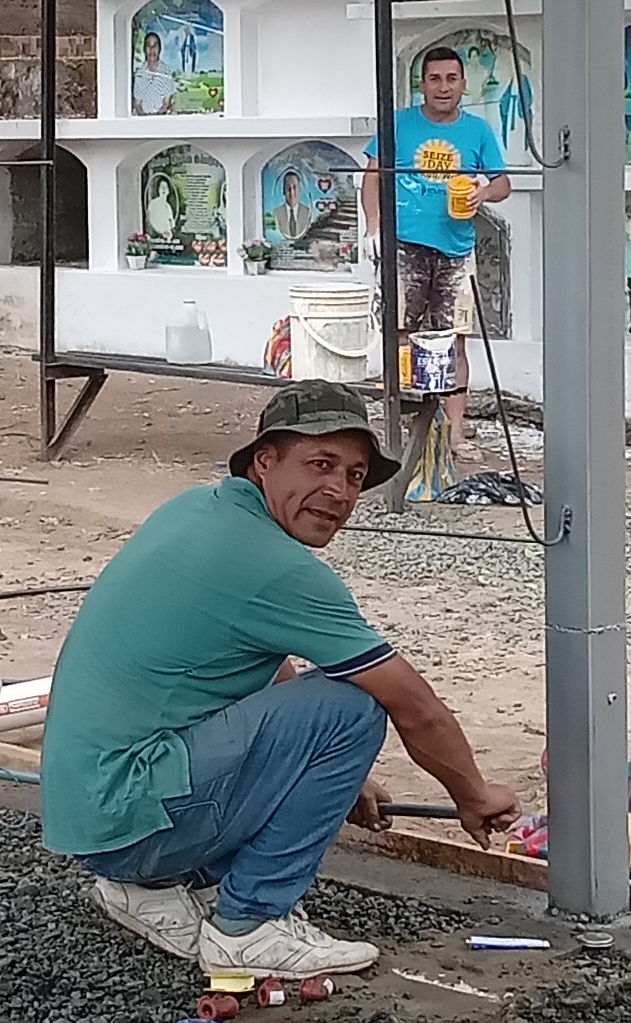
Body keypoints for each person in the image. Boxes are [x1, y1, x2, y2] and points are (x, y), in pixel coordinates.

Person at [39, 381, 522, 979]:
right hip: (130, 823)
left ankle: (149, 890)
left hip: (90, 814)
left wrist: (332, 773)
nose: (339, 491)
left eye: (354, 475)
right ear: (264, 460)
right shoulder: (278, 568)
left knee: (324, 713)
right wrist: (473, 796)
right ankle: (250, 925)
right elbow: (414, 706)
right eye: (320, 464)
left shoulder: (197, 509)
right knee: (352, 708)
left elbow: (262, 667)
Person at [368, 41, 511, 364]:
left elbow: (503, 184)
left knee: (453, 340)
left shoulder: (478, 130)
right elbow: (372, 175)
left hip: (456, 250)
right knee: (400, 334)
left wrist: (483, 193)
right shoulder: (397, 123)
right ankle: (406, 397)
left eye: (451, 78)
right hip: (404, 245)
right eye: (435, 79)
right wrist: (373, 228)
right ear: (422, 85)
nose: (443, 87)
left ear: (463, 84)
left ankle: (454, 402)